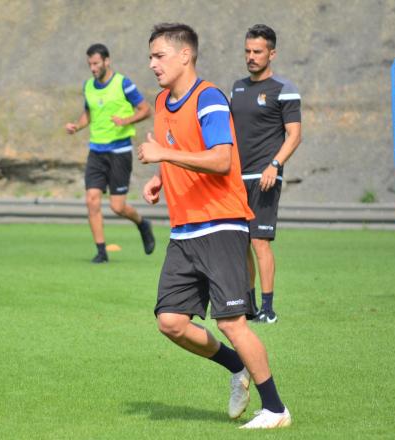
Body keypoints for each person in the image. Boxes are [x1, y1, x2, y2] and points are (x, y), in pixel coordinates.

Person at [138, 22, 291, 429]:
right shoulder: (160, 102)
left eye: (159, 55)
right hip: (184, 230)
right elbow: (175, 150)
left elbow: (222, 158)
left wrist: (165, 159)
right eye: (151, 57)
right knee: (170, 321)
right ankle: (236, 366)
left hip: (221, 225)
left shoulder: (209, 99)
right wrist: (160, 177)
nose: (152, 64)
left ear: (185, 55)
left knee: (231, 322)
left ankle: (275, 409)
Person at [230, 24, 302, 324]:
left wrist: (274, 165)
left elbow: (294, 135)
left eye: (257, 51)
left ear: (271, 53)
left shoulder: (284, 89)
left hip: (265, 176)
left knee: (260, 242)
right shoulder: (237, 87)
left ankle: (268, 309)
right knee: (241, 242)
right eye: (247, 51)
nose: (251, 56)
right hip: (235, 178)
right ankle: (248, 305)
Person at [66, 43, 155, 263]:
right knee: (92, 200)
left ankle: (142, 223)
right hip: (96, 152)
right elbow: (89, 114)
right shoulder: (88, 86)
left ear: (107, 61)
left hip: (119, 151)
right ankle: (101, 251)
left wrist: (125, 121)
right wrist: (77, 126)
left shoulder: (123, 83)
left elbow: (146, 109)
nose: (93, 68)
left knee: (117, 206)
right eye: (90, 64)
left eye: (96, 63)